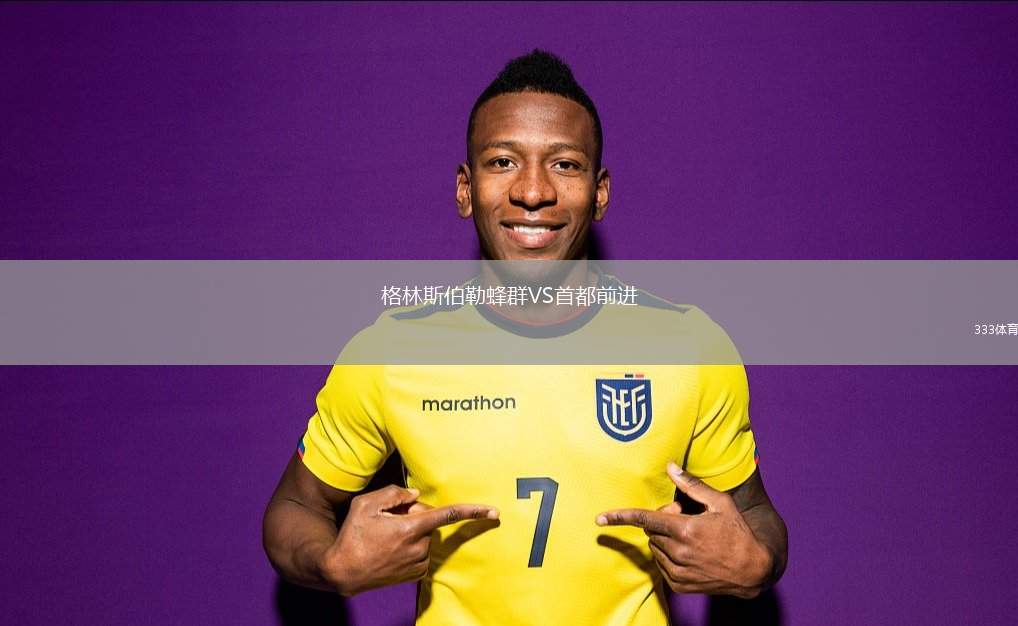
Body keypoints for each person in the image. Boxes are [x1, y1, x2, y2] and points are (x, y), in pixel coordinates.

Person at [263, 49, 787, 625]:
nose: (533, 191)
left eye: (564, 164)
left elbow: (755, 514)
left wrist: (757, 563)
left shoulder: (689, 348)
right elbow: (294, 505)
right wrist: (330, 563)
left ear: (600, 192)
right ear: (465, 190)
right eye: (502, 161)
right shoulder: (391, 354)